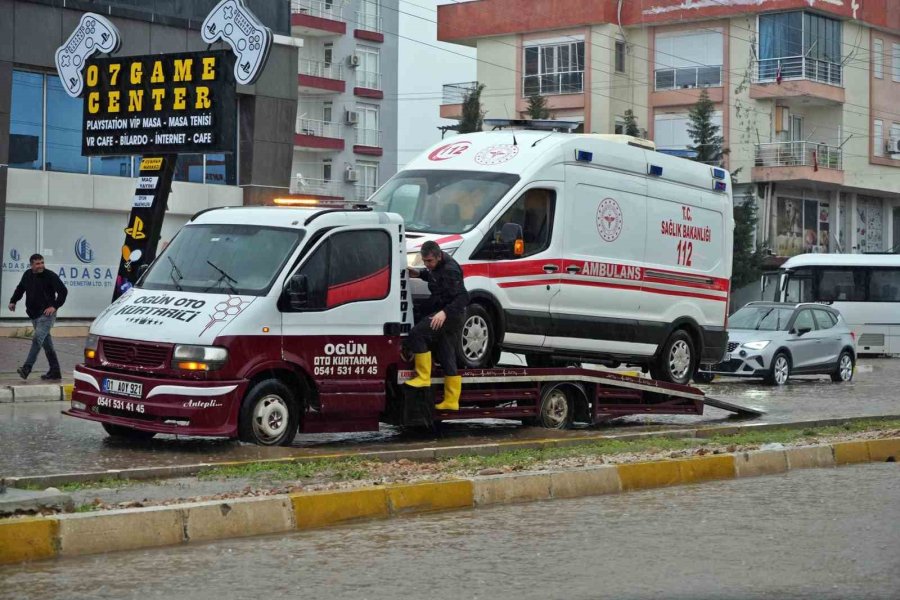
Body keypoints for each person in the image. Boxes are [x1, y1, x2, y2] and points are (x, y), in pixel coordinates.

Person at [403, 240, 469, 411]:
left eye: (429, 261)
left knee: (417, 333)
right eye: (424, 261)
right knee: (446, 353)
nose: (427, 264)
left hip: (451, 314)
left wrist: (444, 312)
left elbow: (463, 297)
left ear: (439, 257)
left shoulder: (451, 270)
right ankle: (451, 400)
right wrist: (419, 273)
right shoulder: (437, 267)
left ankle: (423, 376)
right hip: (443, 310)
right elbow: (433, 275)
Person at [7, 253, 68, 380]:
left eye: (42, 263)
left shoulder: (50, 275)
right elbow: (20, 288)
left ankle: (26, 368)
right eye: (37, 263)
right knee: (47, 344)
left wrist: (54, 306)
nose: (41, 266)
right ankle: (55, 371)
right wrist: (13, 301)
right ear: (31, 265)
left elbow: (63, 291)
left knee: (37, 339)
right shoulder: (27, 275)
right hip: (34, 314)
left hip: (47, 314)